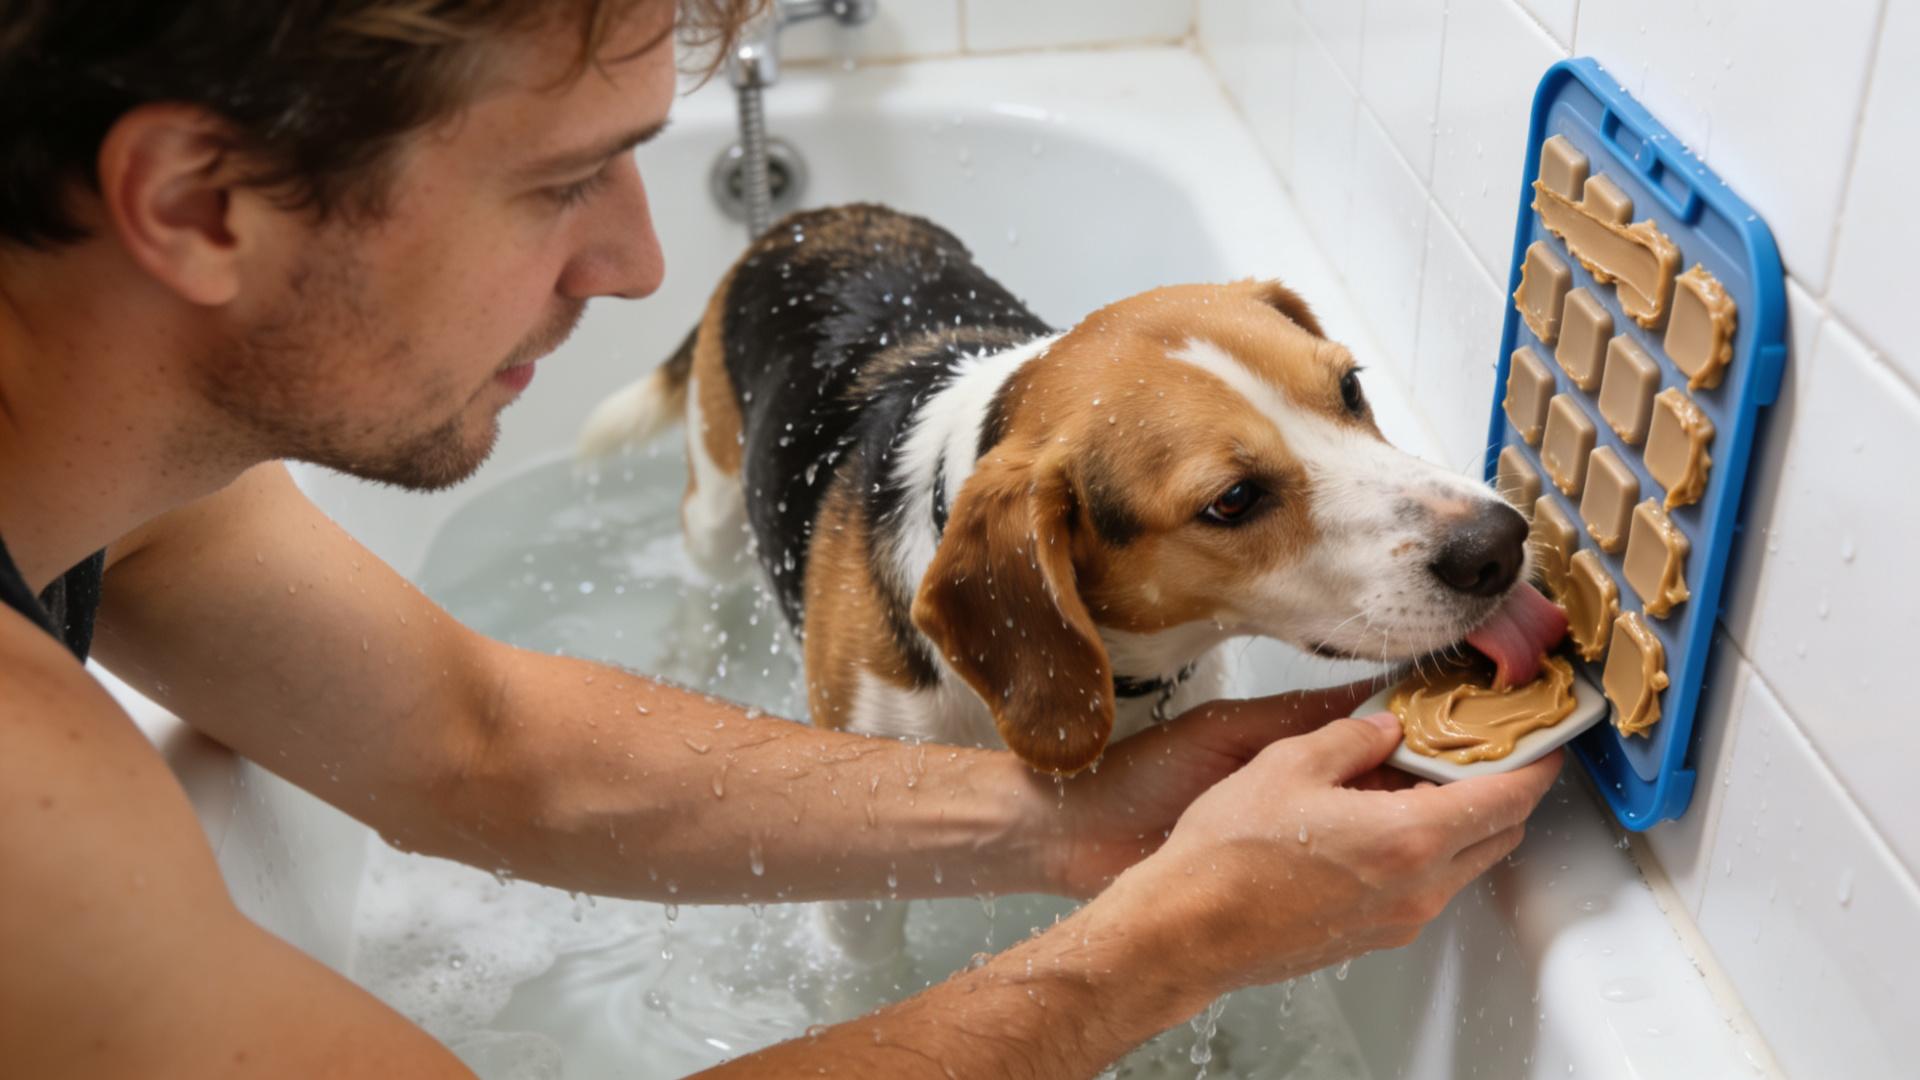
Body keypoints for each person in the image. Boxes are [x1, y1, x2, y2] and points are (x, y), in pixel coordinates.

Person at [0, 1, 1563, 1075]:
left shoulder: (123, 478)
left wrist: (1055, 821)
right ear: (201, 205)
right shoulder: (31, 816)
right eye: (561, 182)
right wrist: (1168, 946)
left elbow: (478, 744)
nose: (640, 262)